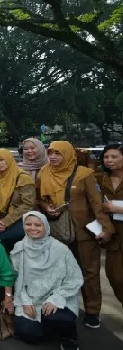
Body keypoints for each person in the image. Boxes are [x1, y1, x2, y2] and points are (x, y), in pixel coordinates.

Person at [36, 141, 115, 329]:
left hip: (84, 232)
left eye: (58, 153)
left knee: (89, 272)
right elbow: (39, 198)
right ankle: (62, 308)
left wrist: (106, 228)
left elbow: (97, 203)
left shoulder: (84, 174)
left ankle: (92, 311)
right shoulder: (43, 173)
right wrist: (47, 208)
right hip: (58, 231)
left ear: (68, 154)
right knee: (60, 272)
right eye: (51, 153)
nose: (53, 157)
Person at [11, 212, 83, 350]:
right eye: (28, 224)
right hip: (31, 298)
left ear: (46, 227)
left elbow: (75, 278)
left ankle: (68, 336)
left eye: (38, 225)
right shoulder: (19, 248)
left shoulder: (61, 249)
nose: (33, 228)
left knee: (59, 318)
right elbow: (17, 278)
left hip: (58, 295)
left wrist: (55, 299)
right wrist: (25, 301)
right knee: (29, 334)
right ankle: (45, 326)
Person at [0, 149, 37, 252]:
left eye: (1, 160)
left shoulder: (23, 178)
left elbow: (28, 204)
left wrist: (7, 221)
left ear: (9, 159)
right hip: (0, 223)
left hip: (18, 222)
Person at [97, 144, 123, 305]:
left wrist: (117, 208)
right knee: (115, 277)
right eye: (106, 157)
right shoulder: (101, 178)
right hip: (113, 235)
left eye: (114, 157)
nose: (109, 160)